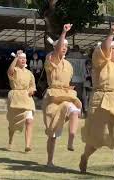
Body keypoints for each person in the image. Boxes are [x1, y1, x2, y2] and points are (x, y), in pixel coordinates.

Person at [80, 25, 114, 180]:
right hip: (102, 103)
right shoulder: (100, 62)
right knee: (99, 137)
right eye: (113, 48)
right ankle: (85, 156)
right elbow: (104, 48)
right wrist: (111, 34)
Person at [42, 24, 82, 167]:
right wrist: (64, 31)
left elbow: (65, 81)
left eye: (66, 45)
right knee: (53, 134)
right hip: (53, 98)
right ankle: (49, 161)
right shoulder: (50, 59)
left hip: (66, 95)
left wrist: (68, 86)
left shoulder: (69, 65)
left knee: (74, 109)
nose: (64, 47)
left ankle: (71, 138)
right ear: (56, 46)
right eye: (61, 45)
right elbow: (57, 51)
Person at [6, 51, 36, 152]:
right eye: (20, 58)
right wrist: (15, 58)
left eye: (24, 58)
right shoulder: (14, 70)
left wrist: (32, 90)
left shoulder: (29, 73)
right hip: (15, 98)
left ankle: (27, 145)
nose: (23, 60)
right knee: (12, 124)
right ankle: (10, 140)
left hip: (27, 98)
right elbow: (9, 72)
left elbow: (32, 85)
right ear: (17, 60)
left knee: (29, 120)